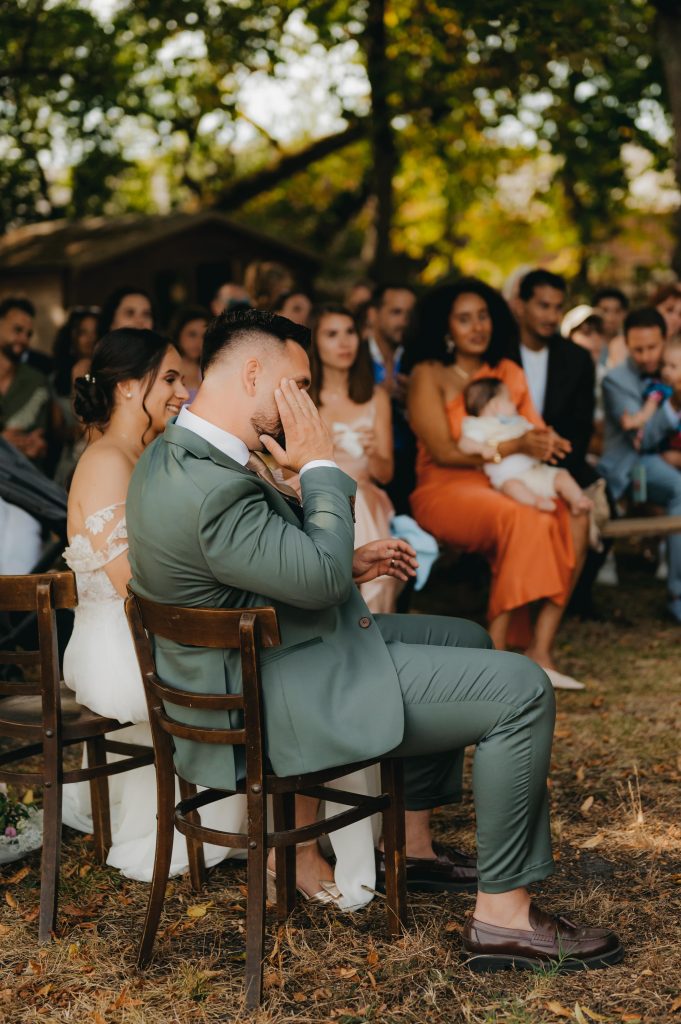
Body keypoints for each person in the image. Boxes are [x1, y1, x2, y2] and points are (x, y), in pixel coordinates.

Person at [125, 307, 622, 970]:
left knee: (466, 639)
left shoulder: (175, 453)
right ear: (252, 374)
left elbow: (245, 566)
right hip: (275, 694)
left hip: (263, 656)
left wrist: (337, 560)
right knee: (522, 688)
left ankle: (411, 847)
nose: (304, 402)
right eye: (297, 385)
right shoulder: (213, 483)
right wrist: (323, 468)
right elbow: (320, 579)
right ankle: (503, 916)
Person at [60, 327, 231, 880]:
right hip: (120, 648)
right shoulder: (109, 460)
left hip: (142, 635)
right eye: (172, 378)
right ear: (131, 386)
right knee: (249, 668)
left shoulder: (147, 454)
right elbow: (135, 582)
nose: (185, 391)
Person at [407, 278, 588, 691]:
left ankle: (541, 649)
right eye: (464, 319)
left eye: (483, 316)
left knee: (573, 513)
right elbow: (445, 451)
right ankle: (499, 651)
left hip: (508, 480)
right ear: (446, 328)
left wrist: (546, 442)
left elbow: (534, 433)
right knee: (520, 516)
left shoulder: (506, 372)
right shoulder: (429, 374)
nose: (477, 327)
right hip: (447, 486)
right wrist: (515, 445)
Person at [511, 270, 606, 620]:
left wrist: (553, 456)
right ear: (521, 306)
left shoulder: (576, 359)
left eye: (557, 307)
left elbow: (581, 427)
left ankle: (570, 598)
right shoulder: (499, 349)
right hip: (502, 459)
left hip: (560, 458)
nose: (551, 316)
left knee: (589, 502)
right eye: (542, 306)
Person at [309, 304, 398, 612]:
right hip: (313, 496)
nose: (344, 342)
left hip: (366, 494)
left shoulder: (376, 397)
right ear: (315, 342)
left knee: (358, 501)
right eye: (332, 334)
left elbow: (386, 474)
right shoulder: (303, 397)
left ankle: (375, 630)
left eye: (349, 332)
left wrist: (372, 451)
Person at [598, 308, 681, 622]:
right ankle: (677, 595)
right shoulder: (615, 382)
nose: (646, 356)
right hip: (629, 466)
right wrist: (674, 404)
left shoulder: (673, 366)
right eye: (638, 349)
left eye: (653, 347)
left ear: (666, 340)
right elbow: (643, 439)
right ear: (626, 344)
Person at [460, 378, 593, 515]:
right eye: (509, 400)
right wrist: (481, 448)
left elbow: (534, 433)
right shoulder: (479, 425)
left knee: (562, 475)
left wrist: (548, 437)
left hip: (536, 471)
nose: (514, 404)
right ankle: (536, 501)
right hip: (508, 477)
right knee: (512, 487)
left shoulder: (518, 421)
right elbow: (464, 444)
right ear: (496, 405)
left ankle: (578, 501)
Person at [368, 283, 417, 514]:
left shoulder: (417, 360)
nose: (404, 321)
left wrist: (412, 402)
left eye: (409, 314)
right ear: (373, 314)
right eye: (396, 312)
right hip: (366, 460)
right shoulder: (352, 356)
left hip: (409, 463)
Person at [51, 307, 100, 486]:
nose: (91, 339)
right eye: (83, 333)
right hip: (72, 458)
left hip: (98, 453)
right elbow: (57, 429)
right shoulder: (57, 380)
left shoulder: (110, 376)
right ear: (72, 338)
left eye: (95, 332)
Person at [0, 297, 51, 467]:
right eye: (17, 330)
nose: (23, 339)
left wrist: (36, 447)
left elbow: (39, 438)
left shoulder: (36, 381)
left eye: (28, 334)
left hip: (20, 479)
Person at [170, 305, 209, 402]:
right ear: (178, 334)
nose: (199, 342)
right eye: (192, 334)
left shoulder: (209, 371)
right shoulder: (166, 371)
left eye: (204, 336)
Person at [593, 287, 629, 368]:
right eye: (605, 311)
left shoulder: (631, 343)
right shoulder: (588, 343)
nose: (611, 318)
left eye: (617, 311)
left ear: (625, 314)